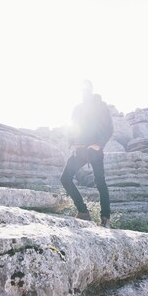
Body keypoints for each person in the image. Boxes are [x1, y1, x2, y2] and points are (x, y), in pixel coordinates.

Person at [61, 80, 113, 228]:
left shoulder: (101, 105)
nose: (84, 91)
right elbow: (71, 127)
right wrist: (71, 144)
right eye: (81, 88)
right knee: (65, 179)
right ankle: (83, 211)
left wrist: (99, 144)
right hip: (80, 150)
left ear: (91, 89)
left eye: (86, 88)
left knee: (100, 183)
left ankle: (106, 219)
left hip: (94, 151)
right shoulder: (77, 108)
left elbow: (109, 127)